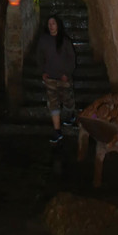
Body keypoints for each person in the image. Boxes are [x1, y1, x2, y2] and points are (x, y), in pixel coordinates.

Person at [35, 14, 76, 144]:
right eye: (49, 23)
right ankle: (57, 131)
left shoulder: (65, 40)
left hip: (63, 78)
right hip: (50, 78)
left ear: (58, 25)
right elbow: (39, 56)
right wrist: (43, 71)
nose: (51, 26)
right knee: (53, 104)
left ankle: (70, 114)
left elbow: (71, 59)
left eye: (53, 23)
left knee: (67, 99)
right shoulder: (44, 40)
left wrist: (67, 73)